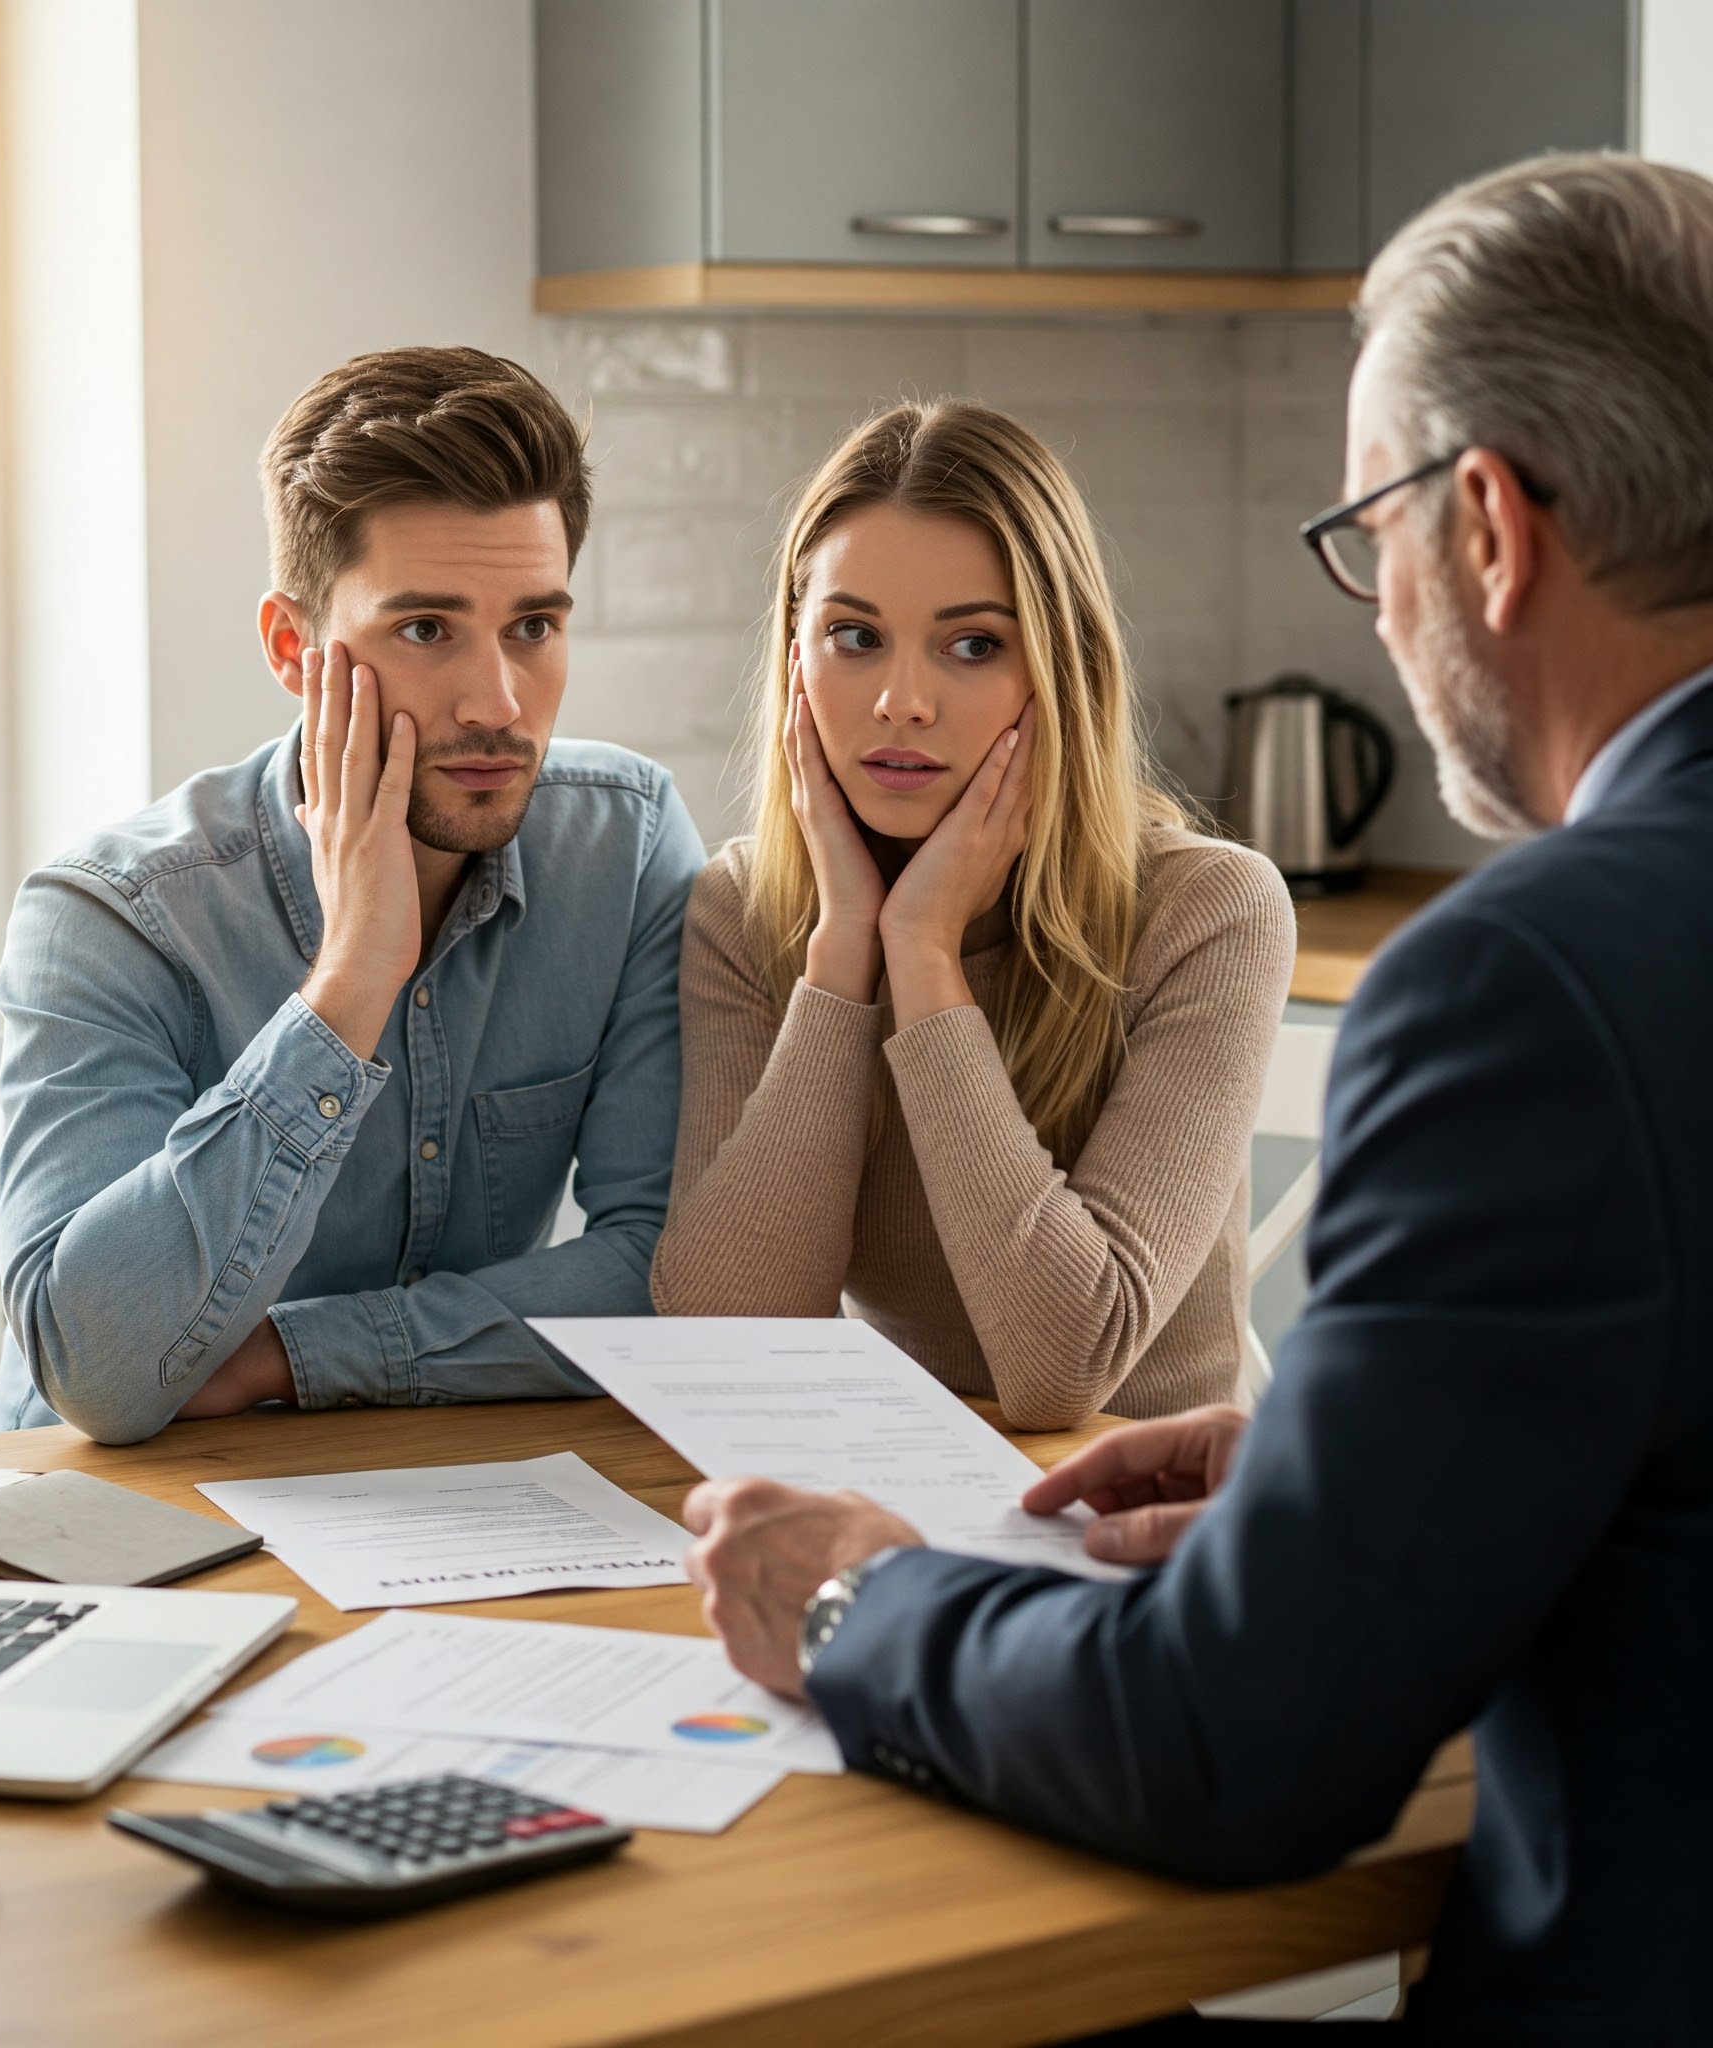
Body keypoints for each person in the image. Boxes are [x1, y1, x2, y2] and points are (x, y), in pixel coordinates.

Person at [683, 151, 1713, 2042]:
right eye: (851, 635)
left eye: (1368, 530)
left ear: (1481, 526)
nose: (1377, 614)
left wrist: (856, 1605)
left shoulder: (1525, 978)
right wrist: (1359, 1466)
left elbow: (1237, 1746)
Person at [0, 347, 703, 1442]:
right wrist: (352, 977)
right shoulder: (110, 915)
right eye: (425, 629)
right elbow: (97, 1371)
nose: (496, 701)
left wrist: (291, 1353)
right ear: (293, 646)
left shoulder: (626, 841)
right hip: (116, 1521)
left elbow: (671, 1269)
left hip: (440, 1489)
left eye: (533, 625)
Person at [648, 402, 1295, 1427]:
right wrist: (843, 951)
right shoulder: (744, 910)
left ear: (1061, 667)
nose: (900, 699)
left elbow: (1065, 1369)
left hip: (1137, 1525)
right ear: (792, 662)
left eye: (971, 645)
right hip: (886, 1497)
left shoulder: (1209, 910)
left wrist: (922, 949)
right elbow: (732, 1346)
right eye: (851, 636)